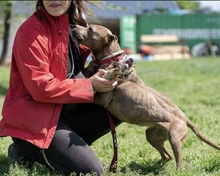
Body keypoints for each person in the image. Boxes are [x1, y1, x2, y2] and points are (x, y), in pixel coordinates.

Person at [0, 0, 121, 175]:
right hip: (35, 121)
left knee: (120, 106)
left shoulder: (78, 26)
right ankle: (25, 149)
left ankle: (61, 150)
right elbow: (41, 88)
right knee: (92, 172)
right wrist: (89, 85)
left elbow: (76, 71)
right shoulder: (30, 31)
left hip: (64, 110)